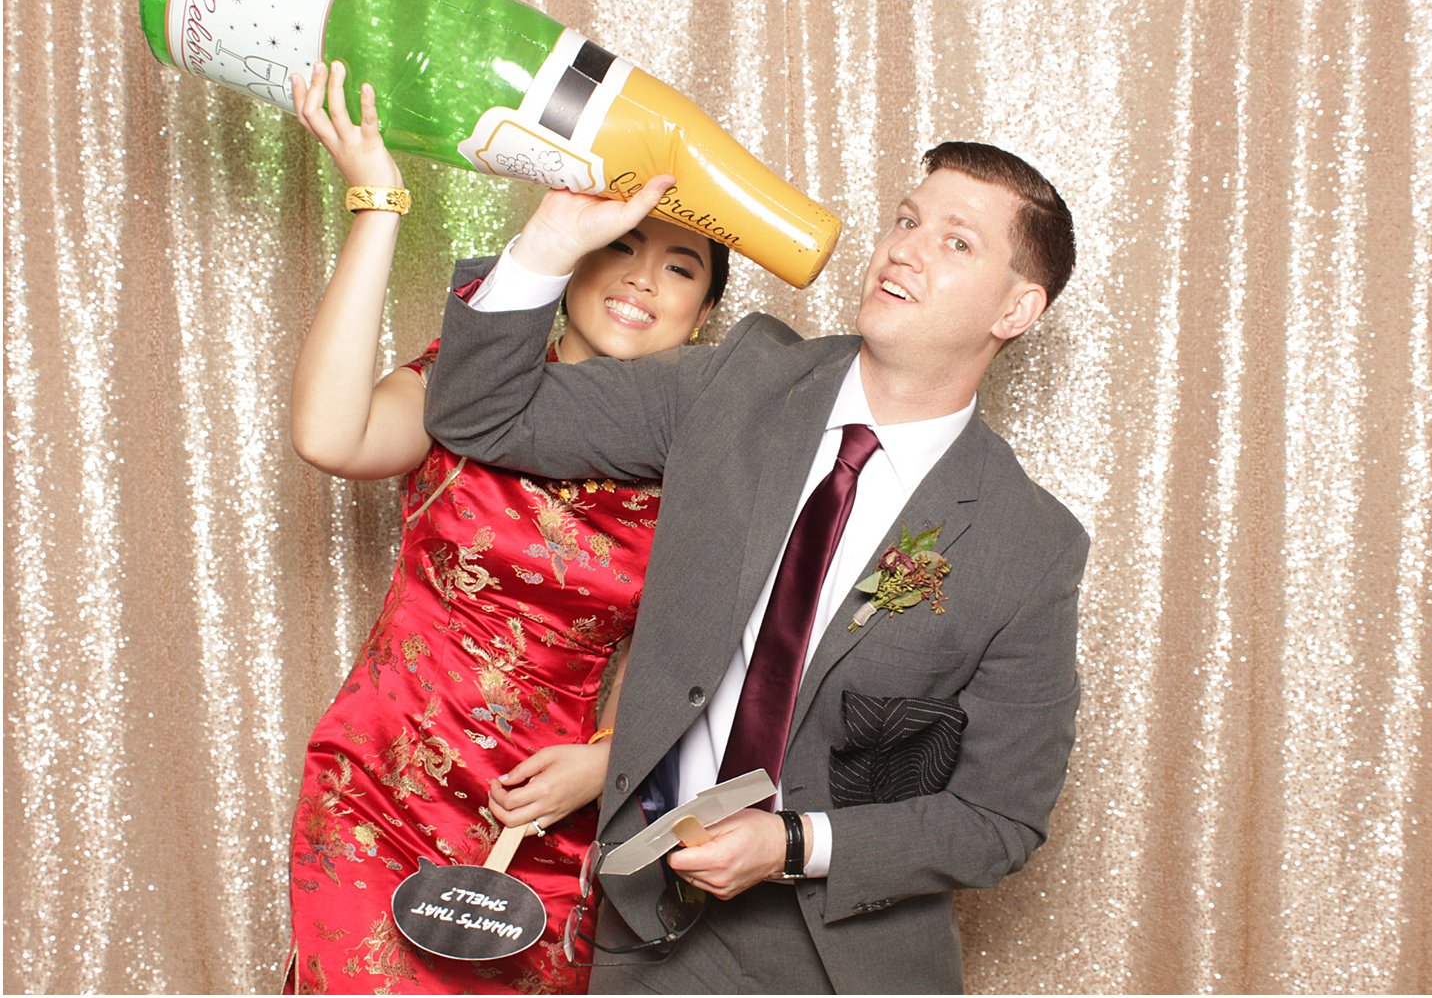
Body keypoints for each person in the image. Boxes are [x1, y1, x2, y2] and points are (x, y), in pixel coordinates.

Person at [422, 140, 1086, 994]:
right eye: (906, 220)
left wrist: (798, 842)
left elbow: (1000, 819)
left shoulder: (1028, 544)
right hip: (648, 934)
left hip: (842, 964)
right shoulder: (736, 384)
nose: (905, 248)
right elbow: (480, 414)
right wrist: (547, 243)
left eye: (956, 242)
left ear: (1016, 309)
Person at [281, 62, 728, 995]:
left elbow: (719, 663)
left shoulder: (711, 461)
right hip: (385, 784)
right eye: (624, 244)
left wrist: (604, 764)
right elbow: (332, 433)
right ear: (575, 252)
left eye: (680, 266)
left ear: (704, 316)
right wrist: (378, 209)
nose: (643, 279)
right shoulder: (465, 383)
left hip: (544, 817)